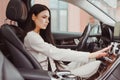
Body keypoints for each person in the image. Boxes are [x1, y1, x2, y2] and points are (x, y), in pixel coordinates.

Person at [24, 4, 111, 78]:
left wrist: (90, 56)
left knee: (91, 60)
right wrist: (90, 54)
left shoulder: (37, 35)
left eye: (48, 18)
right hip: (53, 75)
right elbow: (55, 52)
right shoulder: (31, 37)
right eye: (44, 17)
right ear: (33, 17)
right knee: (97, 63)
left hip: (58, 69)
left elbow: (53, 51)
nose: (47, 21)